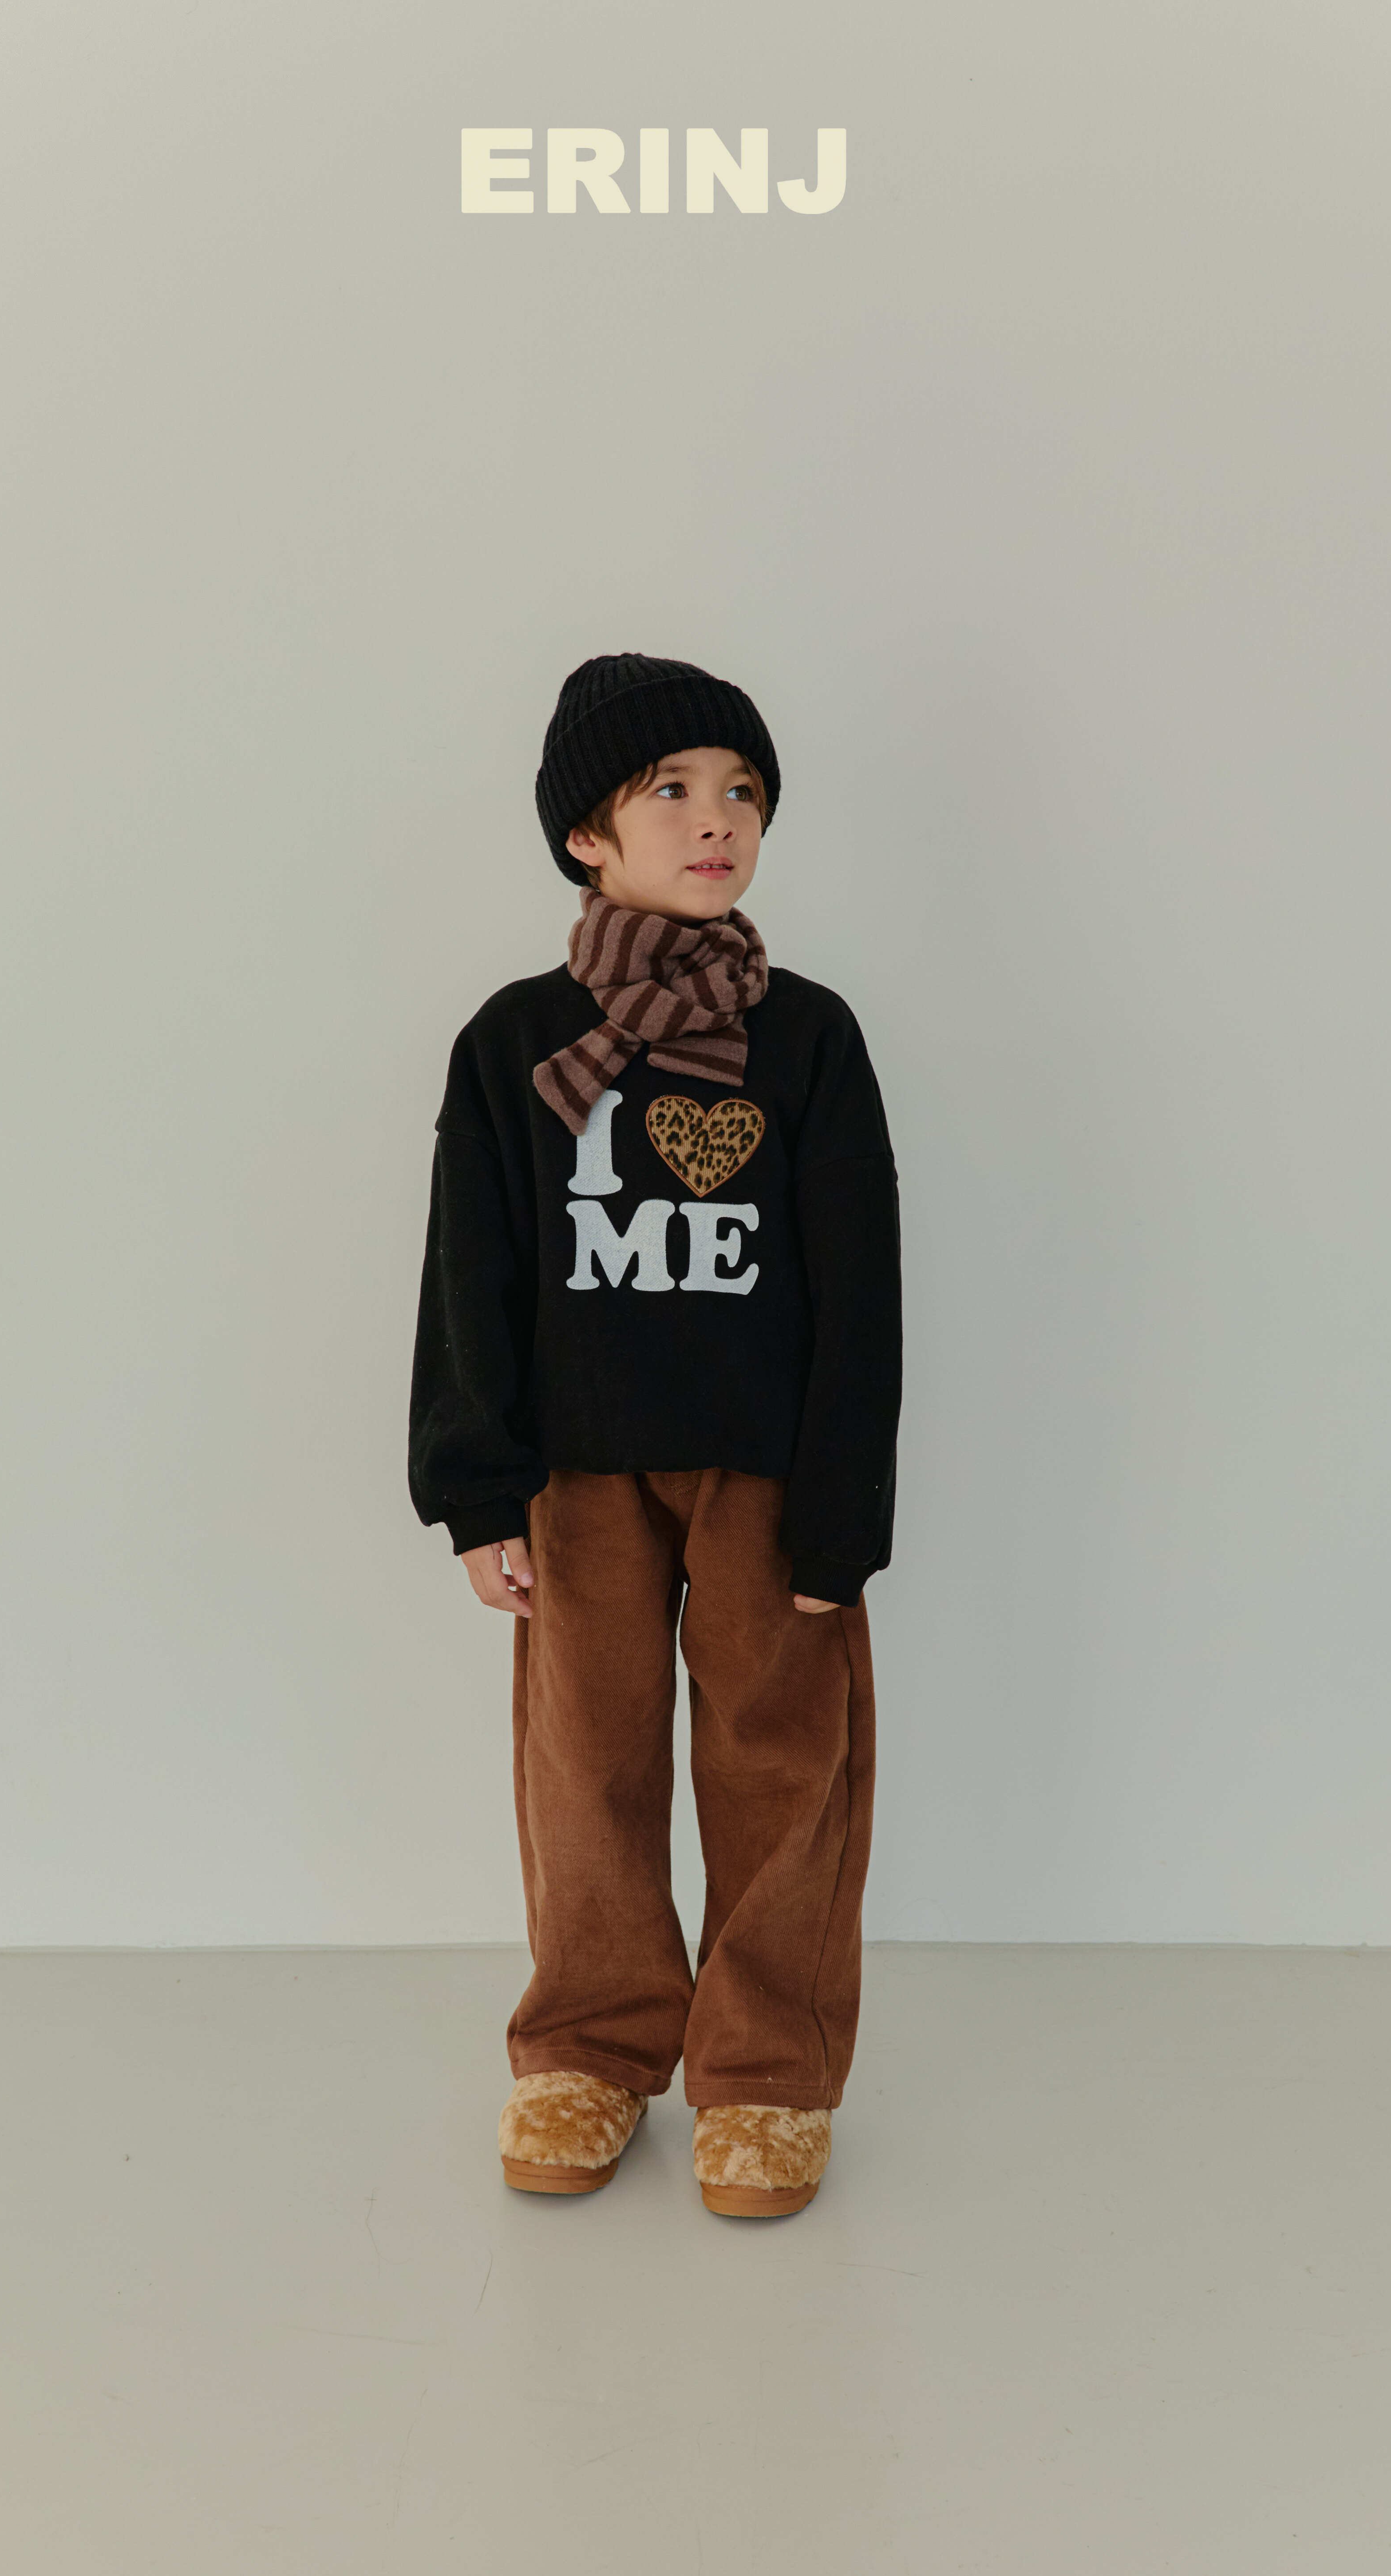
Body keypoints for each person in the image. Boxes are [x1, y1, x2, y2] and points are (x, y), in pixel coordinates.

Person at [407, 651, 903, 2218]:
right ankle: (592, 2045)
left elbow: (863, 1289)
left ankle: (766, 2069)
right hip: (580, 1474)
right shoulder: (514, 1043)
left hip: (768, 1473)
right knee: (587, 1764)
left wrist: (844, 1509)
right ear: (586, 835)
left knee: (782, 1766)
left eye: (743, 790)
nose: (717, 819)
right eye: (672, 789)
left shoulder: (808, 1038)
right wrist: (479, 1490)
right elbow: (471, 1274)